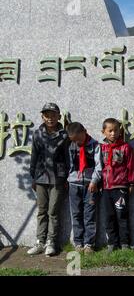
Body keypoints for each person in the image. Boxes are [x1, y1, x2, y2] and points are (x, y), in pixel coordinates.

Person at [28, 103, 70, 256]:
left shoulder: (64, 135)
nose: (50, 118)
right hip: (40, 177)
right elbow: (34, 155)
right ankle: (40, 241)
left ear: (59, 116)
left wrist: (67, 177)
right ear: (42, 117)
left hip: (58, 178)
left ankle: (51, 242)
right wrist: (33, 176)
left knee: (53, 211)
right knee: (42, 210)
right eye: (47, 115)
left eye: (53, 115)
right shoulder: (37, 134)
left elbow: (68, 157)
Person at [101, 118, 134, 252]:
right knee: (109, 216)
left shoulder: (125, 147)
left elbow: (131, 166)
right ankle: (112, 243)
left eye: (116, 130)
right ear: (103, 132)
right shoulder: (101, 148)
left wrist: (131, 182)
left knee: (122, 216)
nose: (113, 133)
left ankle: (125, 243)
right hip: (105, 188)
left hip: (120, 187)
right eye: (110, 131)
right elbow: (99, 167)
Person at [66, 122, 102, 254]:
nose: (77, 142)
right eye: (74, 140)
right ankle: (78, 242)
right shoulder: (70, 145)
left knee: (90, 214)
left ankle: (89, 244)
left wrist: (94, 181)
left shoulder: (95, 145)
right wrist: (68, 179)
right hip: (74, 184)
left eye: (79, 139)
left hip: (90, 185)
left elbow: (99, 165)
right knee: (76, 214)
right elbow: (68, 163)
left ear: (85, 132)